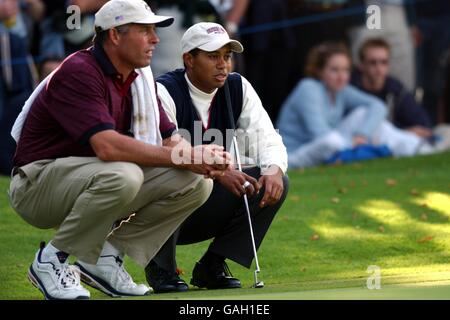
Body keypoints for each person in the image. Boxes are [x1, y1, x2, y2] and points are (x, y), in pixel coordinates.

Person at [8, 0, 231, 300]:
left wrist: (198, 158)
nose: (155, 39)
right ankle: (52, 260)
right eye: (145, 31)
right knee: (124, 173)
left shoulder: (139, 78)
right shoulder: (79, 70)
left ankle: (104, 260)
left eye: (154, 31)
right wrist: (185, 156)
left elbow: (169, 138)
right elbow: (107, 146)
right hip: (35, 186)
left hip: (88, 178)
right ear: (114, 35)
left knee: (195, 182)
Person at [147, 22, 289, 293]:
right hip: (160, 212)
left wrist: (274, 168)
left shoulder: (238, 88)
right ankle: (160, 267)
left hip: (204, 209)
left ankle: (212, 266)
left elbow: (267, 138)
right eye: (213, 56)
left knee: (274, 180)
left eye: (227, 56)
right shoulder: (164, 91)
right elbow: (162, 154)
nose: (223, 64)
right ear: (189, 59)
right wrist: (220, 172)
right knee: (176, 173)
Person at [277, 42, 439, 169]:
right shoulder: (308, 88)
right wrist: (358, 143)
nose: (341, 76)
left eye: (346, 70)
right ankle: (379, 149)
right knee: (332, 141)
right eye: (334, 70)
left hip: (328, 147)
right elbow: (320, 135)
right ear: (319, 71)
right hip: (292, 156)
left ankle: (418, 147)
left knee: (362, 114)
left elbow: (377, 106)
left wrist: (362, 135)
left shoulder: (340, 90)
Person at [351, 37, 433, 138]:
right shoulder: (350, 88)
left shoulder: (395, 89)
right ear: (361, 65)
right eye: (373, 62)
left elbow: (423, 124)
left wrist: (401, 132)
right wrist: (400, 132)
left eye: (384, 62)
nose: (379, 68)